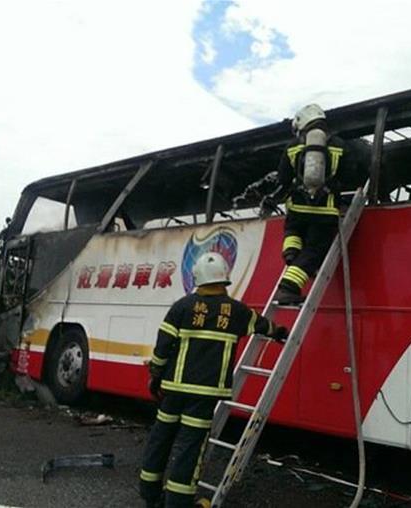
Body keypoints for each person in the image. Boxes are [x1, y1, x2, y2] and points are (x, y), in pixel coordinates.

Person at [139, 252, 288, 508]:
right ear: (224, 278)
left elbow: (162, 348)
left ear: (197, 277)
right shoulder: (238, 311)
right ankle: (178, 503)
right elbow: (264, 326)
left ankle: (150, 493)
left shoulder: (181, 307)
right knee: (190, 449)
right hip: (204, 395)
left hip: (172, 390)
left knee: (160, 438)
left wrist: (155, 376)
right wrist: (280, 333)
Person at [272, 103, 365, 305]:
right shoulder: (339, 145)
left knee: (293, 231)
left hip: (296, 208)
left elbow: (283, 180)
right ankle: (288, 288)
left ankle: (291, 252)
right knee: (313, 251)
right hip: (324, 211)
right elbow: (350, 176)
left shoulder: (292, 147)